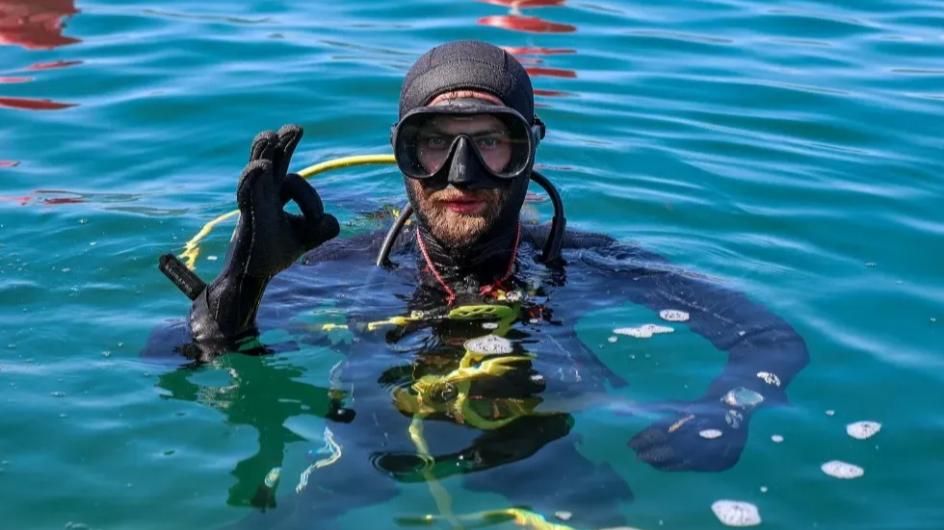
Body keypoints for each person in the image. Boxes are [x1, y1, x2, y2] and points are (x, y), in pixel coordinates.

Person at [152, 40, 808, 529]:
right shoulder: (349, 264)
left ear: (527, 152)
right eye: (433, 143)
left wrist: (728, 408)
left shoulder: (586, 263)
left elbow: (769, 341)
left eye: (492, 141)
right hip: (371, 450)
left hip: (537, 453)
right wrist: (241, 299)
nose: (460, 175)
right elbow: (167, 360)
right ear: (403, 154)